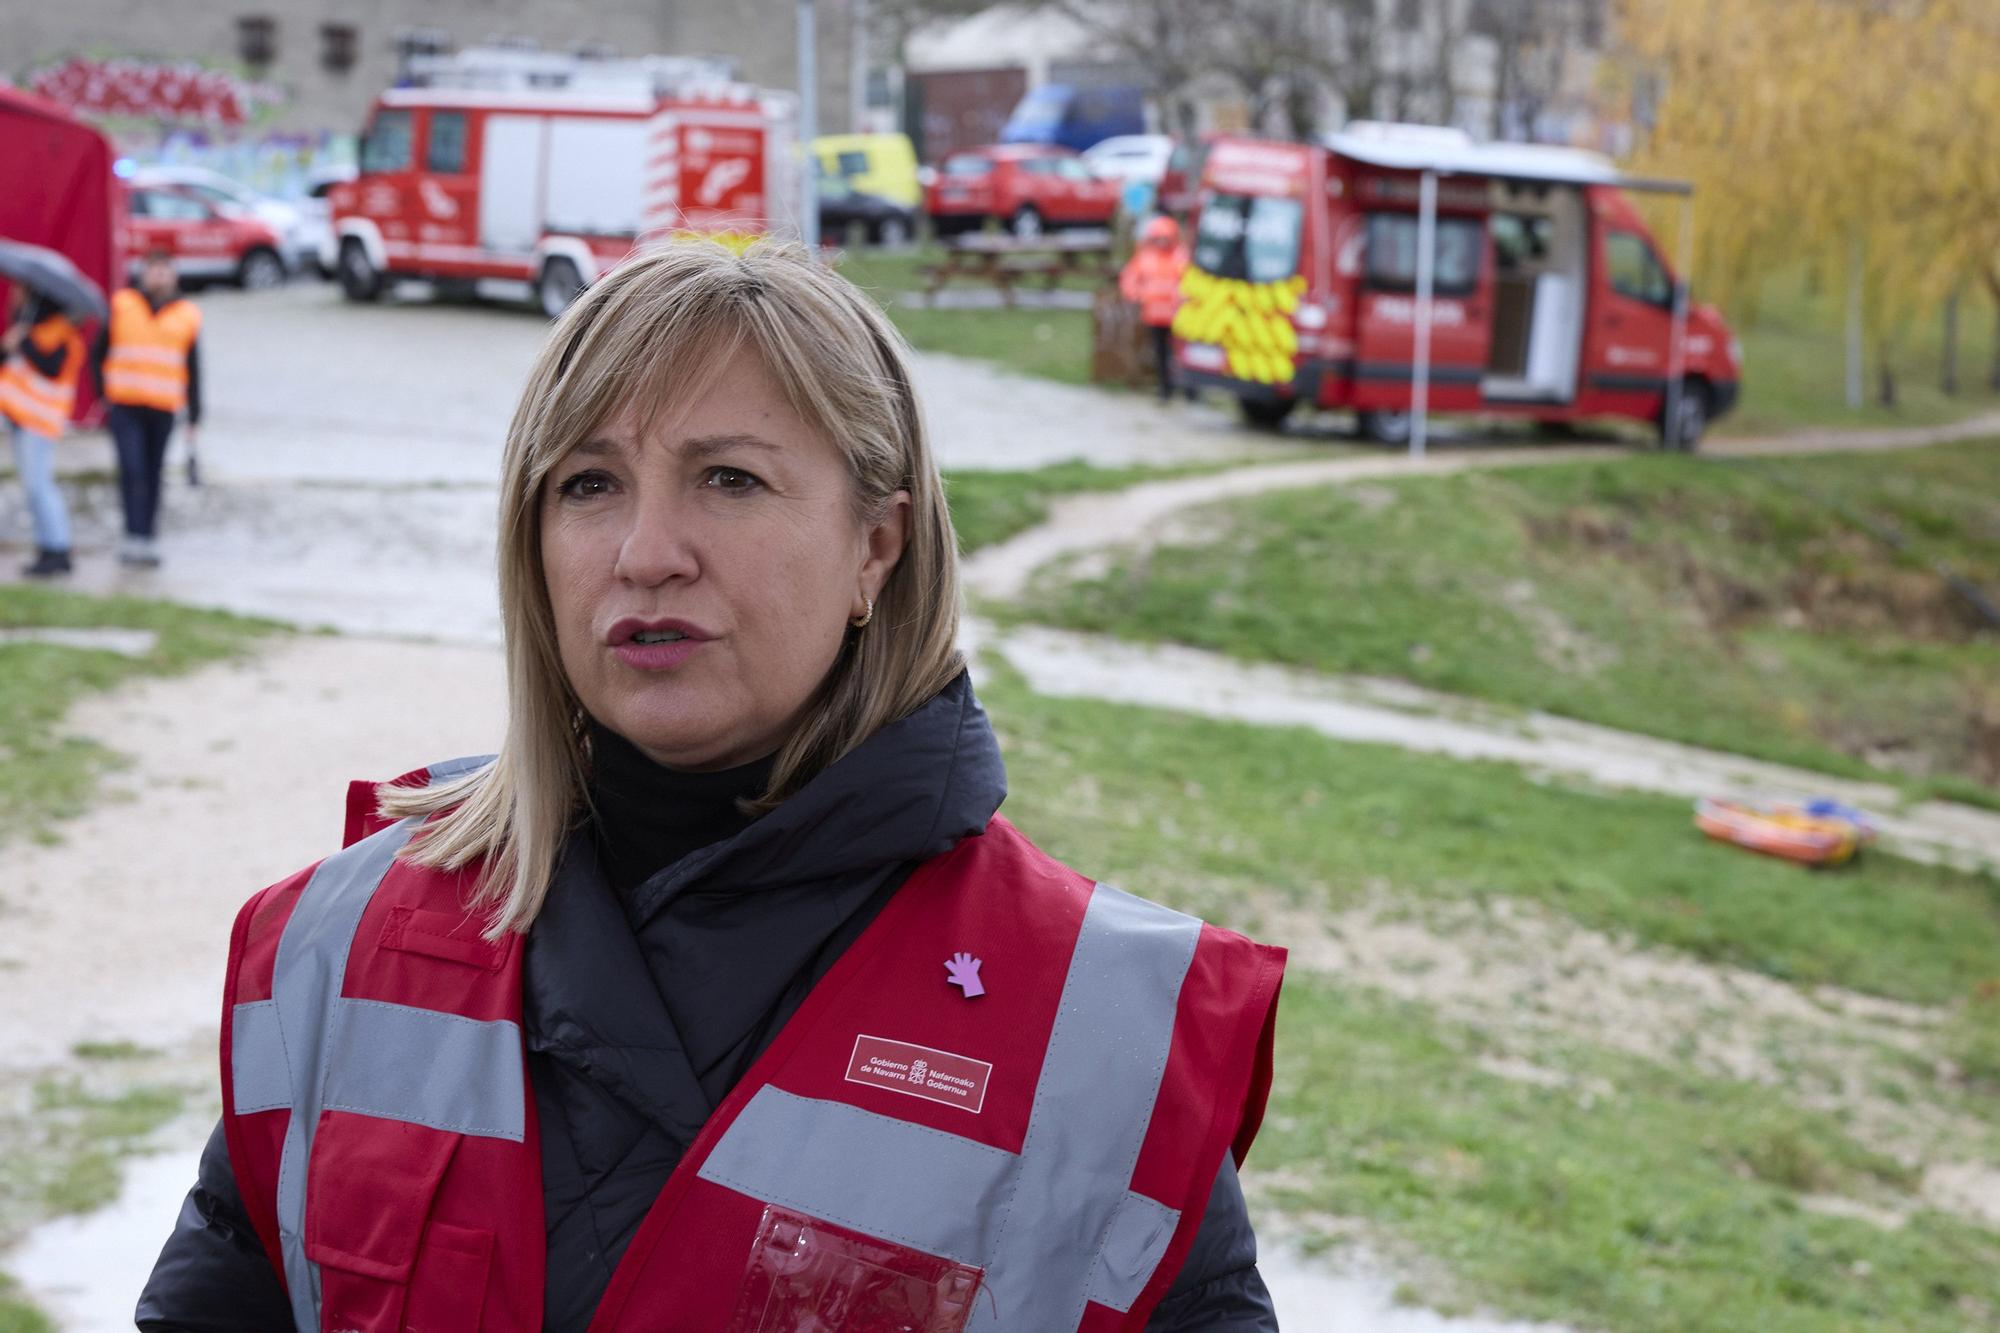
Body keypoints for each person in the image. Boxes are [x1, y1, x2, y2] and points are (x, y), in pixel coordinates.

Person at [137, 243, 1287, 1331]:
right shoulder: (337, 945)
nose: (646, 551)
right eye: (588, 482)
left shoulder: (1096, 1033)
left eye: (727, 479)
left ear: (875, 548)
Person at [94, 251, 201, 568]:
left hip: (163, 407)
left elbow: (194, 369)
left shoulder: (187, 314)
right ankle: (132, 535)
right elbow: (97, 353)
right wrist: (103, 395)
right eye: (154, 271)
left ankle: (149, 537)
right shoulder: (123, 305)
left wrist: (195, 415)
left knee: (154, 473)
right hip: (125, 405)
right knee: (132, 469)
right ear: (143, 274)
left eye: (165, 271)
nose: (160, 277)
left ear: (174, 276)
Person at [0, 285, 84, 577]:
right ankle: (47, 547)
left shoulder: (58, 331)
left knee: (40, 487)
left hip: (40, 422)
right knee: (33, 487)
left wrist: (23, 343)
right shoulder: (27, 327)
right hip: (20, 418)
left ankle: (57, 548)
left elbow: (51, 366)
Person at [1119, 215, 1190, 404]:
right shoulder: (1145, 256)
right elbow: (1130, 278)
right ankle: (1164, 390)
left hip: (1178, 317)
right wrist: (1137, 295)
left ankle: (1188, 390)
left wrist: (1184, 300)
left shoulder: (1181, 256)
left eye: (1165, 238)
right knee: (1160, 354)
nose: (1162, 242)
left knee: (1179, 354)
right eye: (1158, 238)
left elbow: (1190, 282)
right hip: (1154, 315)